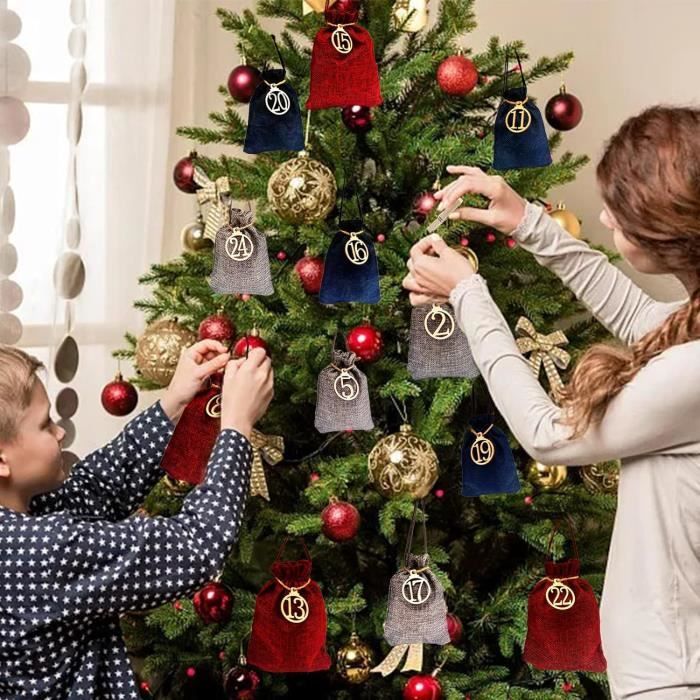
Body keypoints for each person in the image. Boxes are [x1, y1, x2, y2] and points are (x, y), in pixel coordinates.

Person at [402, 105, 700, 700]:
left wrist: (468, 295)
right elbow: (643, 320)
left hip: (676, 674)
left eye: (620, 213)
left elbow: (549, 433)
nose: (605, 216)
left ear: (669, 235)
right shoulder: (689, 330)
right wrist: (529, 223)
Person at [0, 339, 274, 698]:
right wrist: (236, 428)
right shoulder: (42, 552)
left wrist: (174, 401)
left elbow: (99, 487)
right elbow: (195, 544)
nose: (60, 431)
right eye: (45, 424)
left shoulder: (22, 524)